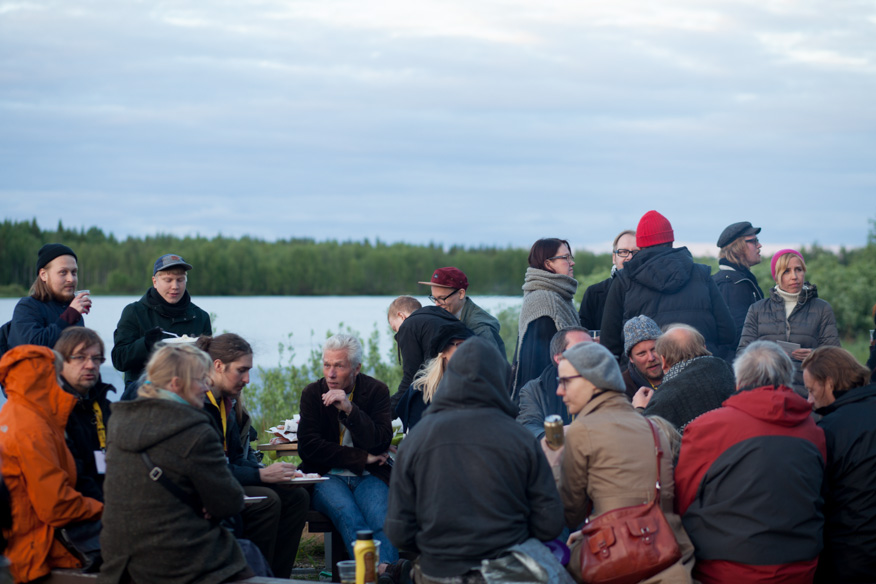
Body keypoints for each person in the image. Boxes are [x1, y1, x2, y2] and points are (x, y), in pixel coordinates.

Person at [387, 337, 568, 583]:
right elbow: (550, 523)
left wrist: (438, 550)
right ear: (502, 380)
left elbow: (398, 532)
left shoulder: (415, 440)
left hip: (436, 572)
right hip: (507, 572)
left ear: (450, 377)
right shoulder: (521, 439)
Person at [675, 341, 825, 584]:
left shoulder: (708, 427)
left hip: (725, 567)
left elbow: (683, 497)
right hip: (800, 566)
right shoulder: (812, 430)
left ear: (739, 382)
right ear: (787, 378)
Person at [99, 343, 250, 584]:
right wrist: (206, 502)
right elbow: (229, 502)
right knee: (248, 554)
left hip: (118, 558)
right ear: (177, 384)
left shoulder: (119, 422)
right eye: (201, 379)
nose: (207, 385)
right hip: (172, 561)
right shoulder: (194, 430)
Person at [553, 342, 694, 583]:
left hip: (616, 561)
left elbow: (569, 512)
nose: (559, 391)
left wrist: (555, 461)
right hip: (672, 558)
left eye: (565, 381)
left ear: (591, 381)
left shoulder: (580, 431)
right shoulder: (654, 427)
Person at [198, 333, 310, 579]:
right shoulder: (198, 404)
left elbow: (236, 457)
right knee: (267, 500)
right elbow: (210, 468)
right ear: (218, 366)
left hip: (227, 477)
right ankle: (255, 575)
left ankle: (278, 576)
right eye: (241, 370)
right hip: (205, 486)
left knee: (297, 497)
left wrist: (274, 472)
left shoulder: (225, 403)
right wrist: (261, 475)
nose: (247, 379)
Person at [0, 345, 103, 583]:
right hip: (35, 548)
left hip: (20, 541)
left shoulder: (12, 414)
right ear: (46, 377)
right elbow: (57, 506)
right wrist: (104, 509)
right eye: (57, 375)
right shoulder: (33, 427)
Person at [297, 334, 398, 564]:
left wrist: (350, 410)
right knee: (350, 516)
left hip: (369, 476)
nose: (330, 374)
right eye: (326, 365)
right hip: (327, 475)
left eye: (339, 366)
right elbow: (310, 448)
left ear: (356, 368)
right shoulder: (312, 394)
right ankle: (373, 575)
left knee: (380, 519)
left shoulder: (376, 391)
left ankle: (389, 574)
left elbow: (381, 441)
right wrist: (362, 458)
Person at [601, 211, 736, 361]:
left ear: (640, 245)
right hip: (702, 367)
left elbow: (609, 344)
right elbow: (728, 332)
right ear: (671, 241)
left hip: (646, 377)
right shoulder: (701, 274)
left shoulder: (624, 280)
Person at [801, 347, 876, 583]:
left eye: (812, 391)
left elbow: (816, 498)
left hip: (852, 556)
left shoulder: (829, 431)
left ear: (829, 383)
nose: (809, 401)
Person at [737, 248, 841, 396]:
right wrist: (770, 357)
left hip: (809, 395)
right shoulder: (757, 310)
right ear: (776, 276)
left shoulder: (822, 308)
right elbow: (743, 354)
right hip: (767, 393)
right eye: (786, 271)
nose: (794, 276)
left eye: (798, 269)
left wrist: (816, 356)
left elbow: (836, 356)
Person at [112, 253, 212, 400]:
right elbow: (119, 359)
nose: (175, 286)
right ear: (155, 281)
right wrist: (145, 344)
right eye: (168, 280)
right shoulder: (134, 312)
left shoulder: (200, 316)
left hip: (188, 397)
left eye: (180, 280)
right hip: (143, 396)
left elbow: (208, 366)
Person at [512, 238, 580, 399]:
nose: (572, 263)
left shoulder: (557, 296)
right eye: (565, 258)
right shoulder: (546, 301)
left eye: (570, 257)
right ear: (548, 264)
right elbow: (539, 363)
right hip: (548, 400)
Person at [634, 325, 735, 433]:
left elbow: (643, 438)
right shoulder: (728, 370)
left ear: (663, 360)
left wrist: (640, 409)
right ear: (704, 348)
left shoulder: (663, 400)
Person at [54, 327, 115, 501]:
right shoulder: (54, 411)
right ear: (60, 363)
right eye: (80, 357)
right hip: (78, 510)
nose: (90, 365)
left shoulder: (107, 408)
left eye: (96, 358)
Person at [2, 243, 90, 353]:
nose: (71, 279)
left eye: (74, 272)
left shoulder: (74, 314)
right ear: (44, 275)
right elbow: (32, 347)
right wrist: (69, 316)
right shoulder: (27, 307)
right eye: (63, 272)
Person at [395, 322, 474, 431]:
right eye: (460, 345)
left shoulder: (480, 389)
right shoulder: (422, 392)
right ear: (443, 351)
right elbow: (420, 438)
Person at [516, 326, 591, 439]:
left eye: (592, 349)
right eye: (580, 350)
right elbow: (528, 426)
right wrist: (555, 436)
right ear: (559, 358)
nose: (590, 355)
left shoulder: (600, 383)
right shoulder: (534, 389)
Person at [387, 295, 459, 410]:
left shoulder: (408, 326)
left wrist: (387, 411)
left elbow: (412, 377)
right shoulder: (446, 318)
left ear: (401, 316)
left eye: (395, 329)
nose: (398, 335)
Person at [418, 267, 506, 357]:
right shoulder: (449, 314)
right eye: (434, 298)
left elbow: (490, 367)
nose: (437, 304)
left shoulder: (481, 328)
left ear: (461, 294)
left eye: (442, 298)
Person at [712, 222, 764, 344]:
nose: (759, 245)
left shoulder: (738, 280)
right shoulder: (730, 284)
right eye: (754, 241)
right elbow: (739, 338)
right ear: (738, 247)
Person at [578, 229, 638, 332]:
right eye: (623, 252)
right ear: (614, 258)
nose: (630, 257)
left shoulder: (654, 291)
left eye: (636, 252)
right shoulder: (594, 294)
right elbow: (584, 339)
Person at [620, 315, 664, 401]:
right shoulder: (622, 388)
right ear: (631, 358)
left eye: (654, 349)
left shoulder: (682, 373)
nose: (651, 358)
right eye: (642, 354)